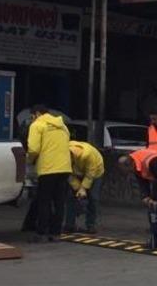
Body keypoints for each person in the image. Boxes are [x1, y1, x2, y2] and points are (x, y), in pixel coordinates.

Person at [26, 104, 71, 242]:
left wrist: (29, 161)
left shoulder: (37, 125)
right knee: (59, 202)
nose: (32, 119)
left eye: (32, 116)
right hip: (64, 168)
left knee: (44, 201)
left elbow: (33, 149)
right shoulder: (62, 125)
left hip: (47, 168)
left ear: (37, 114)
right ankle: (56, 233)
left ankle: (41, 233)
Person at [64, 140, 105, 234]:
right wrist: (77, 187)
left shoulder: (89, 155)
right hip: (76, 173)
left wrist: (83, 189)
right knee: (71, 198)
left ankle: (91, 225)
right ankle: (69, 225)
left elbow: (90, 174)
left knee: (93, 198)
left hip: (95, 173)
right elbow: (67, 174)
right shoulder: (64, 154)